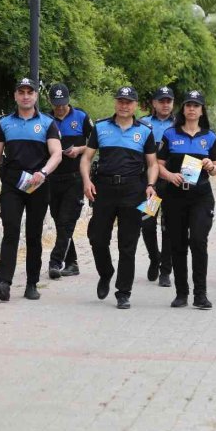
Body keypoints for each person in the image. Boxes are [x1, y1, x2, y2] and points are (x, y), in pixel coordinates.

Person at [80, 86, 159, 310]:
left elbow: (152, 164)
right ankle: (106, 273)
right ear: (115, 102)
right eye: (121, 101)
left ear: (136, 106)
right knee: (97, 237)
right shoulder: (101, 127)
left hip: (133, 190)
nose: (124, 105)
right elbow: (86, 159)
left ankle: (123, 292)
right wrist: (86, 181)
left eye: (129, 102)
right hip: (104, 189)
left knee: (128, 244)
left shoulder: (145, 131)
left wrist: (151, 185)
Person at [0, 77, 62, 302]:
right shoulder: (5, 123)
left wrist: (44, 172)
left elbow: (57, 153)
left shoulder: (47, 123)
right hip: (12, 185)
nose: (26, 96)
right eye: (22, 92)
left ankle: (31, 283)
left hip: (38, 185)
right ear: (15, 96)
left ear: (36, 95)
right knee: (10, 231)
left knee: (34, 235)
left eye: (30, 92)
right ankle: (4, 283)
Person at [157, 90, 216, 309]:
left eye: (196, 105)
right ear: (183, 109)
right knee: (178, 244)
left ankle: (200, 294)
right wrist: (169, 176)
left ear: (202, 110)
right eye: (188, 105)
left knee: (198, 241)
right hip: (175, 195)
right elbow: (158, 165)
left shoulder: (209, 137)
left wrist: (211, 166)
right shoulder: (170, 135)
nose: (192, 109)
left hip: (200, 196)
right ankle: (181, 293)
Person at [45, 83, 93, 279]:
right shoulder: (46, 119)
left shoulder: (81, 117)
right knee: (60, 221)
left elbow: (95, 143)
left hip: (75, 177)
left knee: (67, 220)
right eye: (56, 104)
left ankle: (55, 261)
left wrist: (79, 150)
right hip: (53, 178)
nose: (60, 108)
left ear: (68, 100)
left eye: (63, 104)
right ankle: (72, 263)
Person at [139, 86, 175, 286]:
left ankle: (166, 271)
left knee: (168, 227)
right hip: (151, 184)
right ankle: (155, 258)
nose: (165, 104)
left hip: (171, 183)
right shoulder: (143, 123)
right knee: (147, 223)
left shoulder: (179, 124)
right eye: (161, 101)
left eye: (168, 101)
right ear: (154, 103)